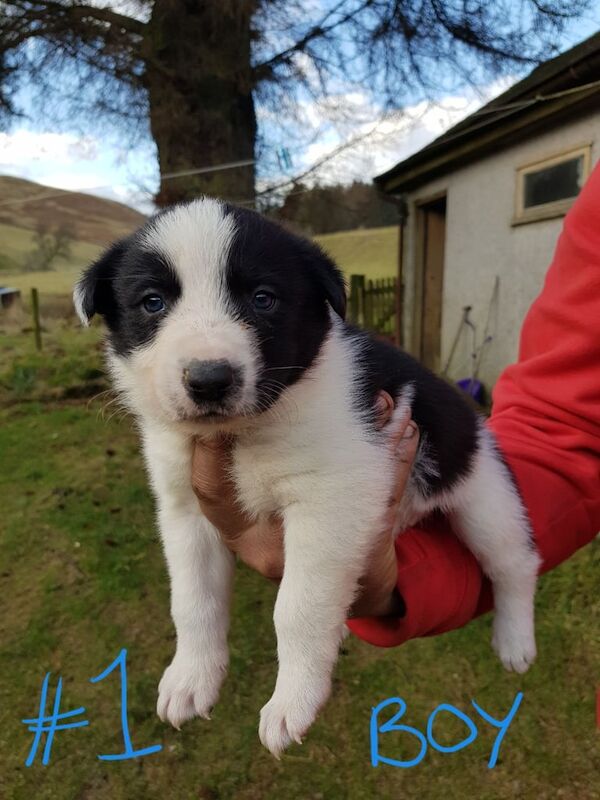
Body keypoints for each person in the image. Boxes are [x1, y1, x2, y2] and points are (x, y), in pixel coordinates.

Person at [190, 161, 600, 649]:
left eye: (261, 300)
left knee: (499, 542)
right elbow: (568, 420)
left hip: (450, 461)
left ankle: (516, 593)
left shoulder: (322, 374)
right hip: (382, 479)